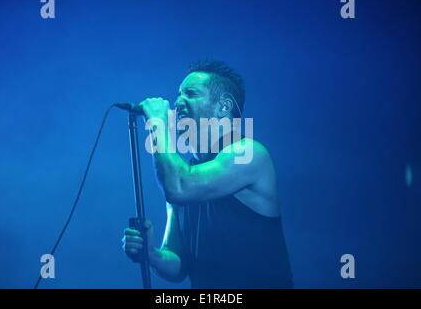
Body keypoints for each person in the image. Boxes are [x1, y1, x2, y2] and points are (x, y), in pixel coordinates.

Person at [122, 60, 293, 288]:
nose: (178, 102)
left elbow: (180, 187)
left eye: (191, 94)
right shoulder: (183, 172)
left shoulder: (249, 153)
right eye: (178, 94)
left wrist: (156, 124)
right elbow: (178, 266)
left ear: (224, 106)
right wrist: (151, 254)